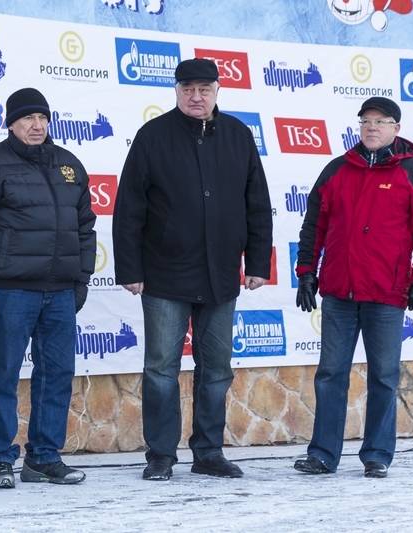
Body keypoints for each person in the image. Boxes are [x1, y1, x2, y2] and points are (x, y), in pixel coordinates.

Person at [113, 58, 273, 481]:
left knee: (216, 370)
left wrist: (257, 262)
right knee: (161, 368)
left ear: (218, 90)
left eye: (204, 89)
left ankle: (208, 452)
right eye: (188, 89)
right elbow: (128, 208)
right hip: (165, 275)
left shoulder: (239, 135)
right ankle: (161, 455)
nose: (196, 97)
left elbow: (257, 205)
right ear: (177, 92)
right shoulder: (153, 136)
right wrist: (130, 268)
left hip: (222, 276)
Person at [293, 97, 413, 478]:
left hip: (386, 294)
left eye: (381, 121)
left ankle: (377, 454)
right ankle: (323, 455)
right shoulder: (337, 170)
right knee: (330, 374)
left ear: (396, 128)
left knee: (383, 376)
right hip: (339, 295)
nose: (372, 127)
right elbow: (314, 226)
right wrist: (307, 273)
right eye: (366, 121)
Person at [0, 87, 96, 488]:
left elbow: (85, 228)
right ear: (11, 123)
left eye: (43, 118)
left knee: (57, 375)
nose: (37, 126)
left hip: (61, 293)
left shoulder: (69, 164)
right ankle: (0, 459)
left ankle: (43, 458)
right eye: (28, 119)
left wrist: (81, 279)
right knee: (3, 374)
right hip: (10, 292)